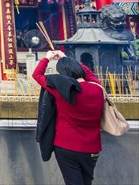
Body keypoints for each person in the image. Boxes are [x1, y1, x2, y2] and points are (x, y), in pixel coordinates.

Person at [33, 50, 104, 185]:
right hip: (92, 147)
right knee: (87, 181)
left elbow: (37, 75)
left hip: (66, 146)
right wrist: (67, 58)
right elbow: (89, 74)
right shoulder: (97, 88)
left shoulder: (62, 91)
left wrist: (47, 58)